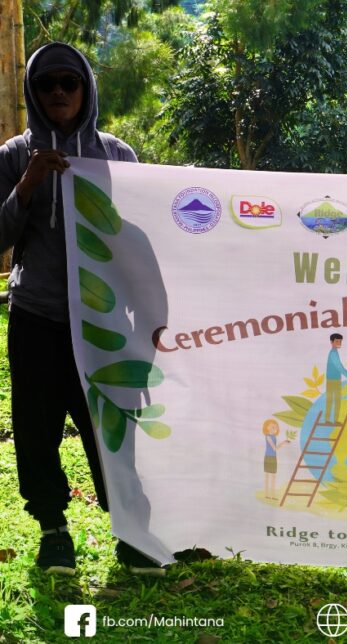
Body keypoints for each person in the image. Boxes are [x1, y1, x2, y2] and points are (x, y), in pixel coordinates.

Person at [0, 42, 162, 576]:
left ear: (87, 88)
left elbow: (138, 244)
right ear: (34, 93)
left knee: (111, 426)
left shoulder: (117, 156)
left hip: (104, 322)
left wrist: (153, 315)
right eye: (47, 85)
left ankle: (131, 534)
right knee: (37, 429)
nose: (59, 93)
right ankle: (53, 531)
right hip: (37, 315)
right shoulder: (14, 156)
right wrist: (27, 185)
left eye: (69, 82)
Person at [325, 333, 347, 424]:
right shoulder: (333, 353)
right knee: (332, 400)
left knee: (336, 400)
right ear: (331, 342)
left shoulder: (335, 352)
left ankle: (334, 420)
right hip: (332, 380)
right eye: (337, 341)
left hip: (336, 380)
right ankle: (328, 420)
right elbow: (339, 366)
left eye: (340, 341)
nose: (339, 343)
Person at [262, 419, 290, 501]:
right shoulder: (267, 436)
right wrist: (284, 443)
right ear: (267, 427)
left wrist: (284, 442)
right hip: (268, 457)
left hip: (273, 458)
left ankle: (273, 495)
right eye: (273, 427)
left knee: (273, 476)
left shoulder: (274, 437)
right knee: (267, 476)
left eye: (276, 428)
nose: (275, 429)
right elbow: (275, 448)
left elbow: (275, 448)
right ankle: (267, 494)